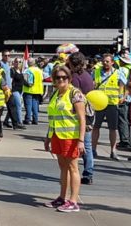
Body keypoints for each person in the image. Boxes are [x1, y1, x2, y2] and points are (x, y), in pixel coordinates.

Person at [44, 66, 86, 213]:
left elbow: (82, 118)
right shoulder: (56, 94)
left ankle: (73, 201)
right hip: (57, 135)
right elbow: (53, 117)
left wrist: (81, 140)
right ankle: (62, 197)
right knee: (63, 167)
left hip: (71, 137)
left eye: (64, 77)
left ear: (69, 78)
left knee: (73, 168)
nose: (61, 79)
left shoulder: (75, 94)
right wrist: (48, 137)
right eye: (57, 77)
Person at [91, 53, 126, 161]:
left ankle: (113, 150)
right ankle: (93, 149)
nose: (105, 63)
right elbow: (92, 84)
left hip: (112, 103)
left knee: (113, 128)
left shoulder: (118, 73)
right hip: (99, 103)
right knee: (96, 126)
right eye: (103, 61)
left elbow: (124, 84)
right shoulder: (96, 72)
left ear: (112, 62)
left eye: (107, 61)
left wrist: (123, 96)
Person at [67, 52, 95, 185]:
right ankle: (89, 172)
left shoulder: (75, 77)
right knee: (88, 146)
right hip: (90, 112)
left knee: (80, 144)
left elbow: (74, 96)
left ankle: (79, 172)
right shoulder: (88, 76)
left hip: (79, 114)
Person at [23, 58, 44, 125]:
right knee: (35, 106)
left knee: (28, 106)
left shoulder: (27, 70)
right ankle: (35, 120)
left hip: (29, 90)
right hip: (38, 91)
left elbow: (25, 80)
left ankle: (28, 119)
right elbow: (42, 79)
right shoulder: (39, 70)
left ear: (28, 63)